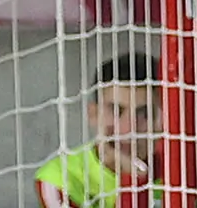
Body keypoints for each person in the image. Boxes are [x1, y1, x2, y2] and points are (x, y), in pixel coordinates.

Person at [34, 53, 163, 208]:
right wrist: (135, 178)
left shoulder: (185, 166)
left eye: (145, 114)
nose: (129, 129)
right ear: (93, 114)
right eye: (116, 111)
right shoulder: (59, 178)